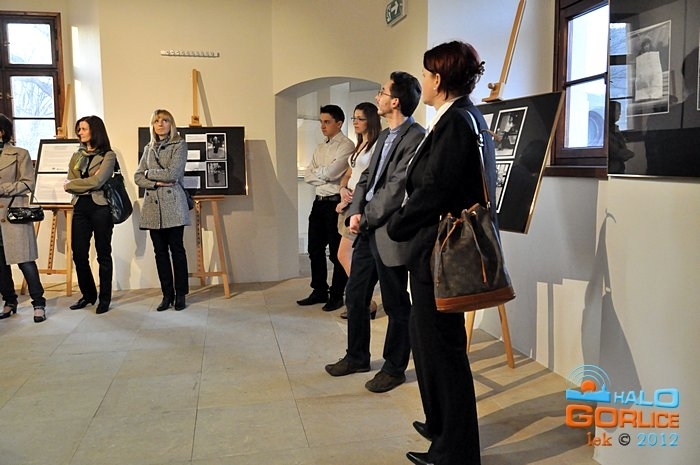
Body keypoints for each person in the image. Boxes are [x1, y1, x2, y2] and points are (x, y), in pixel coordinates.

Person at [387, 41, 492, 465]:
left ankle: (455, 452)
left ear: (439, 78)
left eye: (427, 73)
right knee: (430, 343)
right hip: (432, 249)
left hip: (439, 250)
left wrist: (398, 223)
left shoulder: (457, 121)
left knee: (444, 351)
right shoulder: (460, 116)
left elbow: (435, 189)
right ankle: (440, 425)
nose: (423, 79)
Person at [325, 71, 425, 394]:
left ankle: (394, 368)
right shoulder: (384, 136)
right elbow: (366, 178)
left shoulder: (415, 137)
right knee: (356, 295)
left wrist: (364, 217)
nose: (377, 96)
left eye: (382, 92)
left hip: (390, 231)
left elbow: (396, 188)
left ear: (395, 101)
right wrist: (355, 211)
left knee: (396, 303)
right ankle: (356, 356)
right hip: (368, 228)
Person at [297, 105, 354, 311]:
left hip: (335, 204)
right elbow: (308, 175)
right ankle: (319, 289)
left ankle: (337, 295)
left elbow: (332, 173)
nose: (322, 126)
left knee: (336, 252)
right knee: (314, 249)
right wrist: (323, 174)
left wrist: (321, 174)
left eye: (327, 122)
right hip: (319, 202)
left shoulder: (346, 146)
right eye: (321, 121)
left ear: (339, 123)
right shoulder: (320, 147)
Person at [134, 109, 190, 311]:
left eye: (165, 120)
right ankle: (167, 294)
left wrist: (150, 173)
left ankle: (181, 293)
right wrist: (156, 182)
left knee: (177, 250)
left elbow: (173, 173)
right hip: (152, 207)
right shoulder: (148, 148)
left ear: (171, 124)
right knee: (160, 252)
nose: (160, 124)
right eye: (157, 121)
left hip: (173, 204)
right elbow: (137, 176)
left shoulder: (179, 144)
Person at [64, 115, 116, 315]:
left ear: (95, 130)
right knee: (78, 254)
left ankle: (105, 298)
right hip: (80, 207)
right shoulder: (77, 155)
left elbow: (98, 181)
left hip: (100, 208)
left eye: (84, 129)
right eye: (79, 129)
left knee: (103, 254)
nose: (80, 133)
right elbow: (69, 182)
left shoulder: (108, 155)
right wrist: (80, 184)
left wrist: (75, 184)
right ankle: (88, 295)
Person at [335, 102, 381, 320]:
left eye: (360, 118)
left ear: (371, 120)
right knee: (347, 255)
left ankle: (363, 299)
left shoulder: (377, 145)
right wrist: (343, 189)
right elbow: (348, 173)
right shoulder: (360, 145)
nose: (355, 122)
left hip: (361, 206)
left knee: (344, 254)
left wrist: (357, 199)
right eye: (354, 118)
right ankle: (362, 299)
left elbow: (373, 179)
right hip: (349, 203)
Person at [0, 114, 47, 323]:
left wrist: (2, 188)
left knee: (25, 260)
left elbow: (28, 183)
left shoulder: (20, 154)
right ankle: (9, 301)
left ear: (2, 132)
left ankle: (38, 303)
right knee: (0, 265)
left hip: (13, 214)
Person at [607, 101, 634, 174]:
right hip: (612, 170)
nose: (619, 114)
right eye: (617, 111)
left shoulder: (615, 129)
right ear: (611, 112)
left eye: (620, 111)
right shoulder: (606, 131)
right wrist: (629, 153)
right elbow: (616, 152)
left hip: (618, 168)